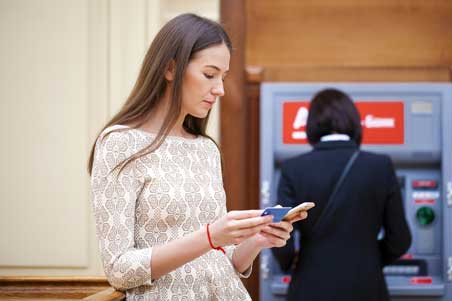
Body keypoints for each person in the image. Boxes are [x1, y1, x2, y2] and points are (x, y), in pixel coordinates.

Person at [88, 13, 306, 300]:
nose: (220, 89)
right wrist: (210, 236)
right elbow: (119, 270)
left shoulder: (205, 149)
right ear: (170, 68)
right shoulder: (119, 144)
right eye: (209, 74)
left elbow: (222, 261)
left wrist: (256, 240)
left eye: (223, 77)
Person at [272, 88, 412, 301]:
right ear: (354, 122)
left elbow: (280, 235)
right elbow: (400, 239)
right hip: (366, 287)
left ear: (311, 125)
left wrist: (289, 262)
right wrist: (369, 259)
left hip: (310, 287)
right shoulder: (381, 166)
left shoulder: (293, 168)